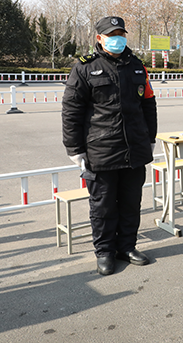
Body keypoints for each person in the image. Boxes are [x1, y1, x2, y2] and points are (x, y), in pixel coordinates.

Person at [62, 16, 157, 276]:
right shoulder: (85, 68)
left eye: (121, 34)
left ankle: (126, 247)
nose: (117, 39)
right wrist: (74, 149)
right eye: (111, 35)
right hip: (100, 151)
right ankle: (104, 252)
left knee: (131, 203)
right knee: (103, 206)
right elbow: (71, 111)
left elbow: (148, 104)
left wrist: (150, 139)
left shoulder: (137, 66)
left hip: (134, 149)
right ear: (99, 38)